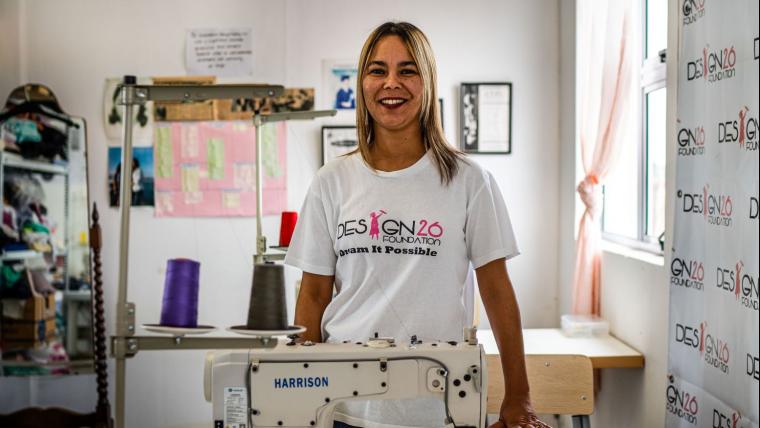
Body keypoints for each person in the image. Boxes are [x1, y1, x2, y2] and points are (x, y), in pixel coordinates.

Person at [285, 22, 549, 428]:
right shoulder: (331, 181)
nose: (392, 83)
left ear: (427, 82)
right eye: (377, 71)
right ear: (362, 84)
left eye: (407, 70)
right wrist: (303, 397)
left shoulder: (469, 180)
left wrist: (519, 395)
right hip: (345, 409)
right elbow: (314, 294)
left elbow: (497, 292)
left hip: (441, 407)